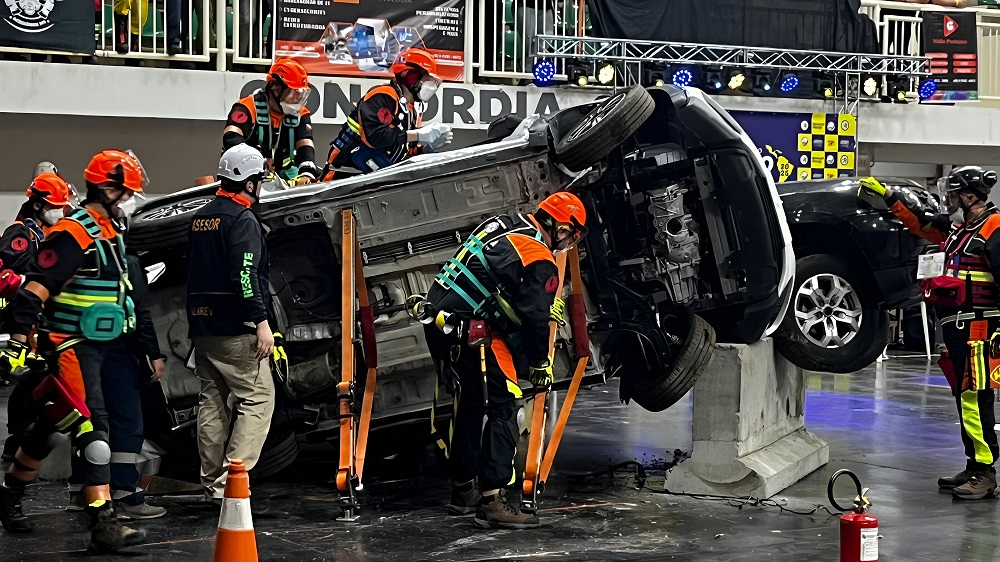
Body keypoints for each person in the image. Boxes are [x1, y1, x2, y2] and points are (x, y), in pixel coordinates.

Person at [0, 150, 147, 550]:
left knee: (47, 429)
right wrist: (19, 342)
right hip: (70, 346)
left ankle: (8, 496)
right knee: (92, 429)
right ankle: (103, 522)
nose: (132, 200)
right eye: (128, 192)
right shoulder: (74, 232)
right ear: (109, 188)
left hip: (104, 347)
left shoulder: (110, 231)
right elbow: (33, 291)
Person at [416, 191, 587, 529]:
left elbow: (498, 284)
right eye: (571, 236)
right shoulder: (538, 254)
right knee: (505, 405)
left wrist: (537, 300)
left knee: (471, 404)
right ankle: (492, 499)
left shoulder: (506, 224)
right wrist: (540, 365)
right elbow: (535, 319)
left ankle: (464, 490)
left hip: (440, 322)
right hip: (473, 331)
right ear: (561, 226)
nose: (568, 245)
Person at [861, 169, 1000, 500]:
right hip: (957, 327)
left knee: (975, 399)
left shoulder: (994, 228)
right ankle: (974, 464)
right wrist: (889, 196)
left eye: (953, 193)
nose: (947, 199)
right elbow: (920, 223)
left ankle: (985, 471)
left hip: (979, 328)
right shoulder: (958, 231)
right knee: (964, 398)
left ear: (969, 197)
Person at [187, 143, 275, 500]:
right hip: (234, 329)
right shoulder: (242, 220)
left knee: (212, 402)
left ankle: (213, 484)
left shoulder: (201, 216)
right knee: (258, 398)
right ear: (249, 183)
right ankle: (231, 483)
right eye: (259, 180)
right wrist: (261, 322)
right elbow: (246, 274)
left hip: (202, 328)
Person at [0, 171, 77, 472]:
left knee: (35, 383)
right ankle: (18, 443)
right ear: (37, 204)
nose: (61, 211)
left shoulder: (44, 233)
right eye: (56, 205)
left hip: (38, 321)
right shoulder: (20, 234)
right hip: (23, 323)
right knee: (30, 383)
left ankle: (20, 442)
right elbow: (17, 275)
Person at [101, 253, 168, 519]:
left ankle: (84, 489)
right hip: (120, 352)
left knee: (91, 423)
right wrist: (153, 354)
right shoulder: (125, 262)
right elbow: (140, 312)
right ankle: (126, 493)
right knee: (127, 423)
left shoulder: (77, 257)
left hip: (83, 353)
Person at [322, 48, 453, 179]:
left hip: (375, 180)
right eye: (428, 79)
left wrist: (427, 148)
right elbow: (376, 137)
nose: (431, 86)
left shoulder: (415, 110)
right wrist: (418, 134)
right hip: (343, 175)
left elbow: (404, 152)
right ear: (410, 75)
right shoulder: (383, 95)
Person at [223, 59, 318, 185]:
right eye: (292, 93)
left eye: (300, 95)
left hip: (283, 178)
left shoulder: (302, 114)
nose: (297, 100)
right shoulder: (246, 107)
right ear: (275, 87)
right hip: (245, 178)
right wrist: (256, 162)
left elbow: (305, 143)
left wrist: (307, 173)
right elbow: (230, 137)